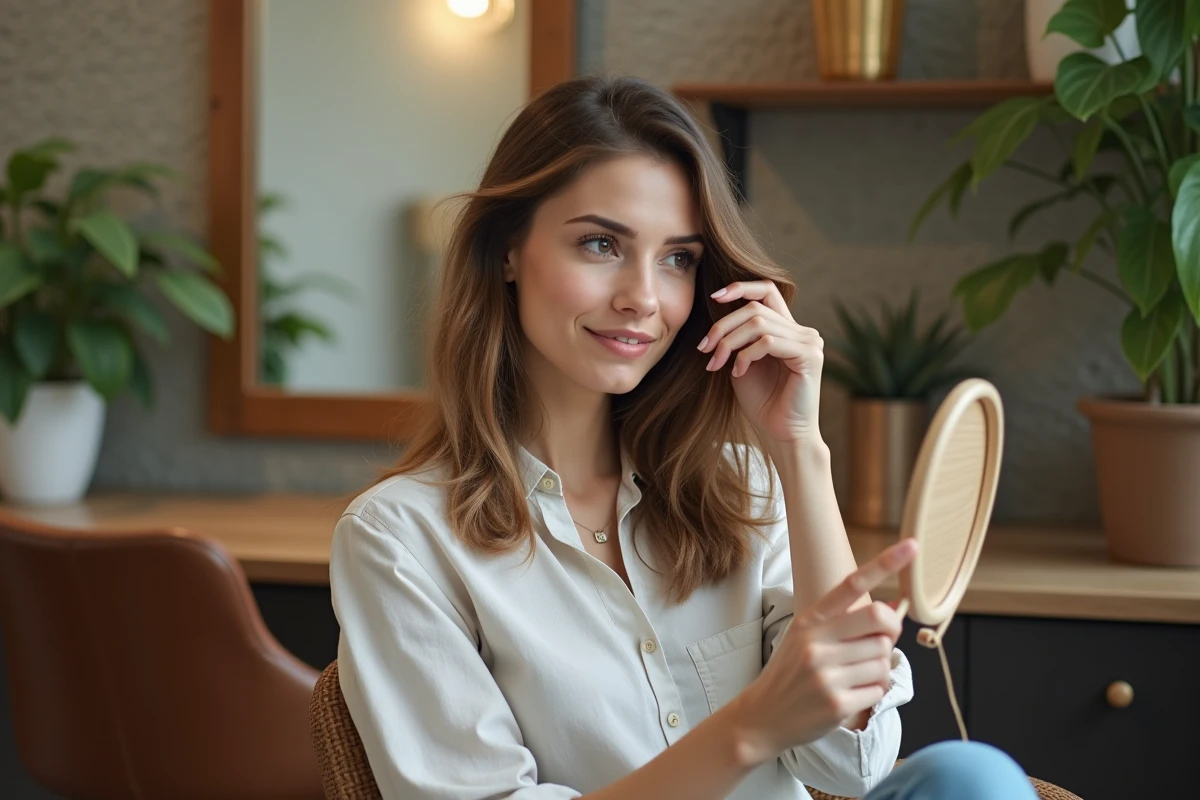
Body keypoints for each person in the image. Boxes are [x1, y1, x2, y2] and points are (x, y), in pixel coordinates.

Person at [329, 74, 1037, 800]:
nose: (644, 297)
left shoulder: (741, 485)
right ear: (508, 251)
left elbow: (852, 766)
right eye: (601, 244)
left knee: (969, 775)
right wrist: (750, 728)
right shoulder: (400, 539)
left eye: (678, 259)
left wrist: (800, 448)